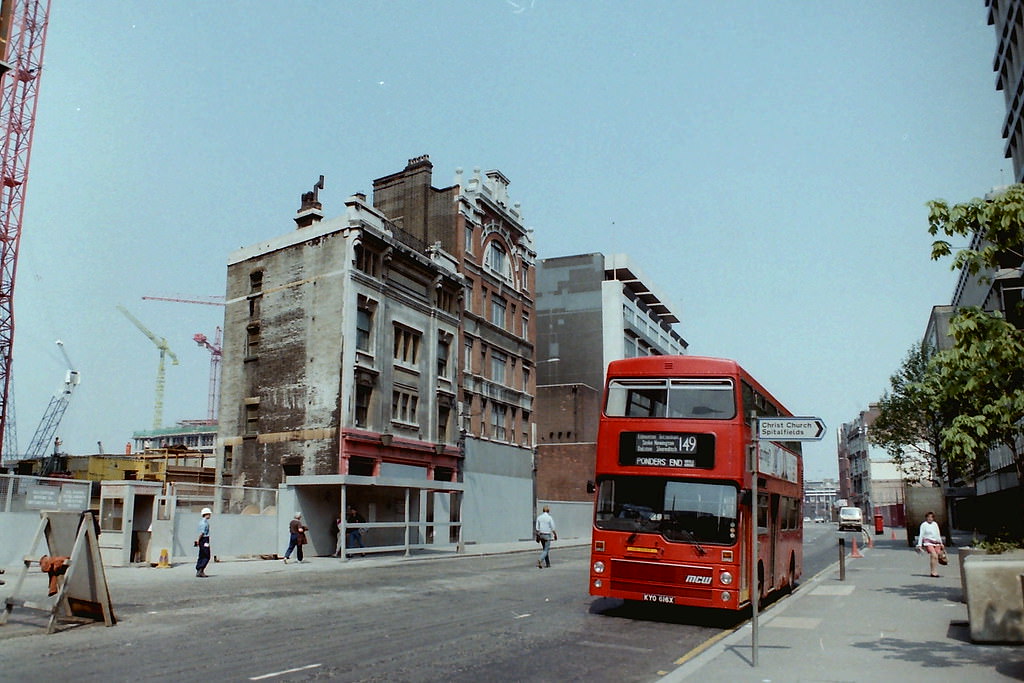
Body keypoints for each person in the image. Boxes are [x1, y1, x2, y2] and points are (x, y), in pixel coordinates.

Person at [916, 510, 944, 577]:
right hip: (928, 542)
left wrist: (941, 543)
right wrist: (919, 545)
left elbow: (938, 534)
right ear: (926, 518)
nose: (930, 518)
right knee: (934, 555)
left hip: (936, 542)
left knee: (936, 557)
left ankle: (934, 571)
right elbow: (921, 535)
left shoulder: (935, 524)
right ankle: (933, 572)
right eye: (928, 517)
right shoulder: (924, 525)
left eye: (931, 517)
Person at [195, 507, 212, 578]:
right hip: (204, 539)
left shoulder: (201, 522)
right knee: (206, 555)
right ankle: (201, 570)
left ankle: (199, 569)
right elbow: (202, 533)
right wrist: (198, 540)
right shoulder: (204, 523)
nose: (210, 515)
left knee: (201, 554)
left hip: (203, 539)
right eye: (209, 514)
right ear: (206, 514)